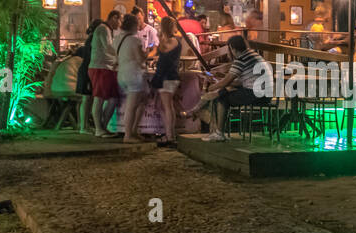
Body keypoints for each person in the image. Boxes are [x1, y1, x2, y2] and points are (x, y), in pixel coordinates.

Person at [181, 34, 271, 141]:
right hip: (265, 94)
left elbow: (226, 82)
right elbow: (240, 82)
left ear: (232, 48)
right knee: (223, 91)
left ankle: (217, 132)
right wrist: (219, 78)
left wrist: (211, 87)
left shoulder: (241, 59)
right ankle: (197, 112)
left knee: (221, 97)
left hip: (255, 94)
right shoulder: (253, 55)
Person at [113, 13, 148, 142]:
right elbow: (140, 59)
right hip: (134, 75)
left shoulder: (117, 39)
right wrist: (146, 54)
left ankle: (133, 130)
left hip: (121, 73)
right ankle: (128, 135)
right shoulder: (135, 40)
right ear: (134, 25)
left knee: (143, 100)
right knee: (131, 106)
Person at [87, 10, 122, 137]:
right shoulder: (103, 29)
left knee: (112, 98)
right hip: (100, 67)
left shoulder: (106, 30)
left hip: (107, 67)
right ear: (114, 18)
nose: (120, 23)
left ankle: (103, 126)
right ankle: (98, 128)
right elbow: (108, 48)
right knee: (99, 98)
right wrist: (120, 57)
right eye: (120, 20)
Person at [151, 16, 183, 147]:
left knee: (167, 107)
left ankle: (170, 136)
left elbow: (160, 50)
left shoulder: (169, 41)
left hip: (167, 77)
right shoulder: (175, 41)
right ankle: (169, 134)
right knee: (165, 106)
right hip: (172, 76)